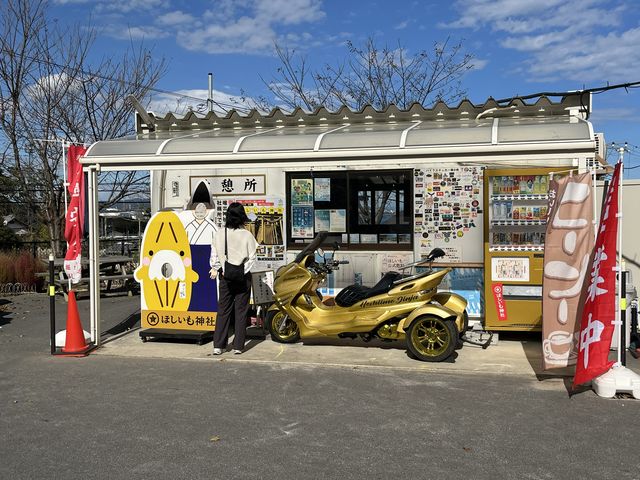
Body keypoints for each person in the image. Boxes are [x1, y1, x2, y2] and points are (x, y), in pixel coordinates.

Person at [209, 202, 258, 355]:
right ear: (242, 216)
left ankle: (218, 345)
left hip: (225, 277)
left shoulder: (219, 234)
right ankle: (238, 346)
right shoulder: (247, 235)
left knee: (223, 311)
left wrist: (221, 269)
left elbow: (214, 257)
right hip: (243, 277)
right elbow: (252, 258)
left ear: (227, 216)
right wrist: (241, 270)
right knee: (241, 312)